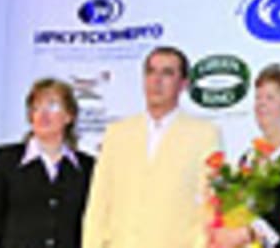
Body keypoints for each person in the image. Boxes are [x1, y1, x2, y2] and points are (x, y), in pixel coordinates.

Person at [83, 46, 221, 248]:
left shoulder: (204, 135)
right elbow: (98, 203)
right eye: (151, 72)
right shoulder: (117, 134)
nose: (156, 81)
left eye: (167, 73)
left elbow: (210, 206)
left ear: (183, 84)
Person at [210, 64, 280, 248]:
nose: (260, 104)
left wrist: (249, 233)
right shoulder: (249, 156)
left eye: (270, 98)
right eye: (258, 97)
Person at [0, 78, 95, 248]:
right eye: (36, 107)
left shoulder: (86, 166)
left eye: (52, 106)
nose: (43, 114)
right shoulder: (7, 159)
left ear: (69, 116)